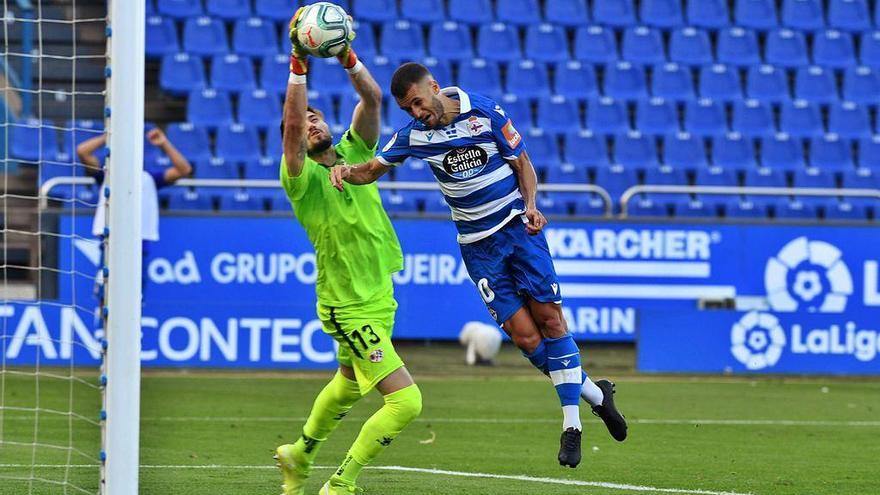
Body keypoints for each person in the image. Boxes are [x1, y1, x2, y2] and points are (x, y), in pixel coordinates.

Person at [328, 62, 628, 468]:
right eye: (408, 109)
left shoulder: (484, 112)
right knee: (525, 338)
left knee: (551, 322)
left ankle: (571, 425)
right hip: (477, 247)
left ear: (433, 87)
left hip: (517, 230)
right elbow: (372, 170)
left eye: (418, 102)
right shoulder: (414, 136)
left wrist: (533, 207)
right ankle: (596, 393)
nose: (416, 113)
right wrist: (344, 170)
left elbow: (522, 163)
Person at [273, 10, 421, 495]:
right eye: (303, 121)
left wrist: (346, 56)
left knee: (351, 384)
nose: (310, 123)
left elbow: (373, 98)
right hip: (347, 303)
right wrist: (298, 59)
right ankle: (342, 484)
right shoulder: (300, 178)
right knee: (406, 403)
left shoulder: (357, 149)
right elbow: (293, 121)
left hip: (378, 294)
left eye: (317, 117)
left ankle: (299, 454)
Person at [76, 128, 192, 307]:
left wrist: (164, 144)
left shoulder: (149, 178)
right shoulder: (107, 175)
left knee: (135, 296)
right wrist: (108, 137)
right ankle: (102, 330)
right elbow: (82, 151)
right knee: (106, 293)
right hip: (110, 242)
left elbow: (184, 169)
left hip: (139, 244)